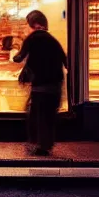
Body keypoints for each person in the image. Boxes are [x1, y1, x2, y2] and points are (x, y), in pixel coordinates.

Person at [13, 10, 67, 156]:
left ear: (33, 25)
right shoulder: (53, 40)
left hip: (40, 86)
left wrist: (13, 48)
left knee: (36, 115)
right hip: (55, 86)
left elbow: (18, 58)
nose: (26, 28)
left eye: (27, 25)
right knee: (48, 117)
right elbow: (66, 61)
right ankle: (45, 145)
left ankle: (39, 146)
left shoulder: (32, 39)